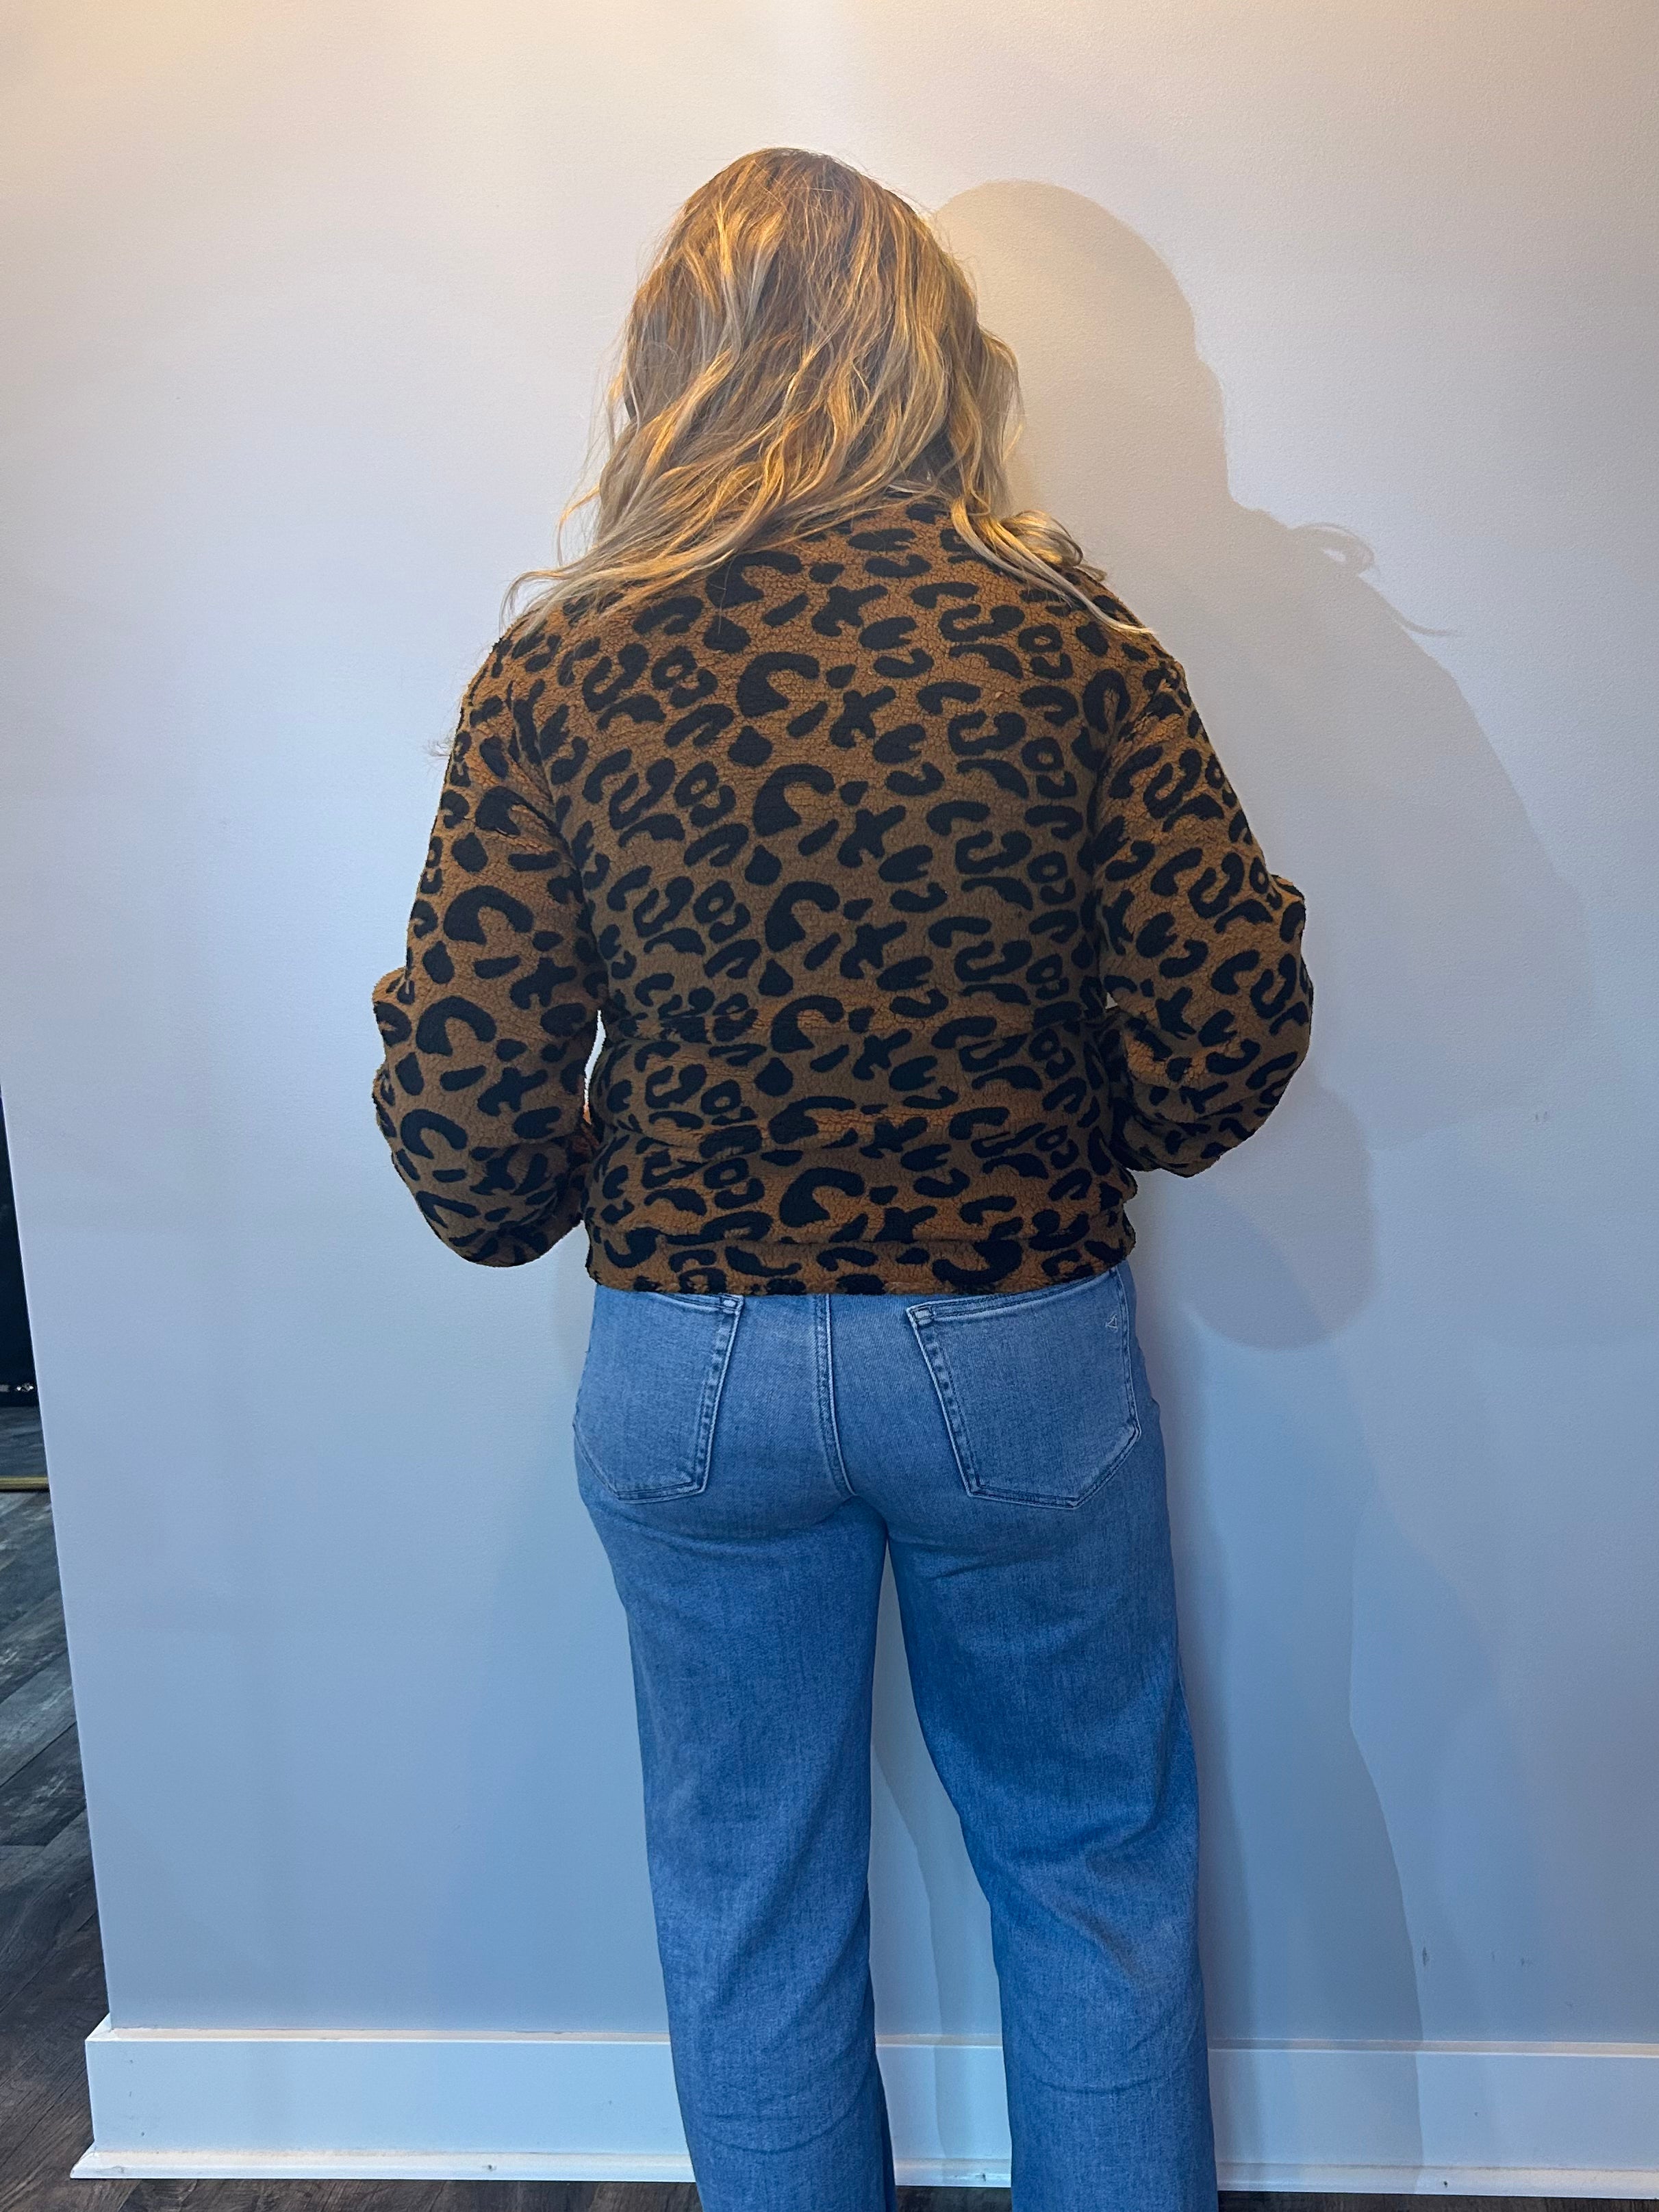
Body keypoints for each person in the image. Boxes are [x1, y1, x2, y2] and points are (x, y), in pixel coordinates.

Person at [370, 146, 1311, 2212]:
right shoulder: (1066, 642)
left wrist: (661, 1142)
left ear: (669, 369)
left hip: (689, 1364)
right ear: (935, 359)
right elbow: (1221, 1054)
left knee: (746, 1894)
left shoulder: (561, 672)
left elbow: (472, 1161)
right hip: (1017, 1340)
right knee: (1088, 1868)